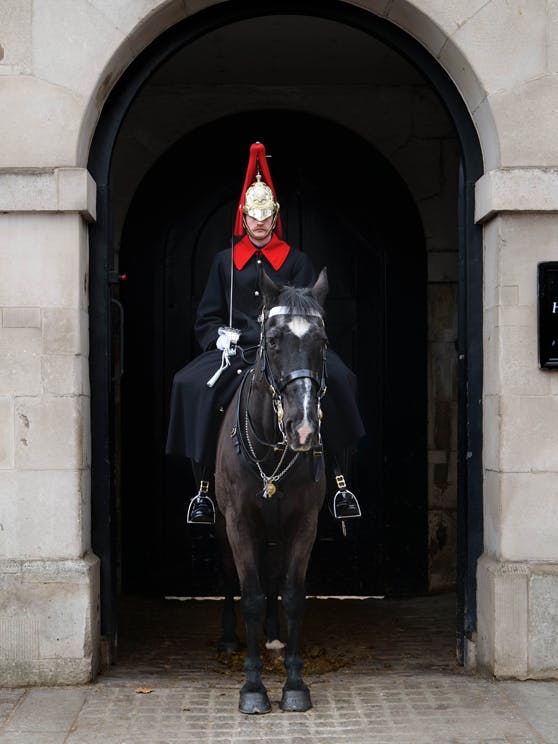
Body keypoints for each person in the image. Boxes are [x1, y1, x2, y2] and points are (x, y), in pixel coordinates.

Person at [166, 142, 364, 524]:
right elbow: (206, 317)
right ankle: (205, 488)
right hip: (238, 352)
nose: (259, 223)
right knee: (189, 385)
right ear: (244, 216)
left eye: (265, 215)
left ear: (275, 216)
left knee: (341, 380)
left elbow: (312, 312)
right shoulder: (226, 262)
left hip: (290, 352)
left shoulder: (296, 261)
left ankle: (340, 482)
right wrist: (219, 338)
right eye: (252, 216)